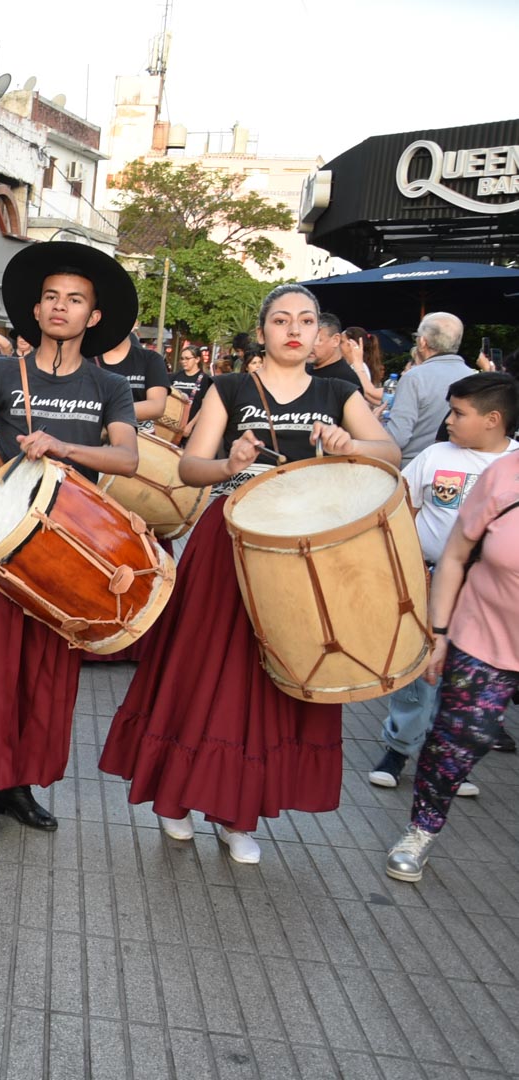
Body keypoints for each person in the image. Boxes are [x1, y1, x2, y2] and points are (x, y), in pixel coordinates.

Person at [100, 284, 399, 864]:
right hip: (230, 539)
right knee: (203, 667)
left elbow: (389, 453)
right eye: (282, 320)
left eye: (306, 320)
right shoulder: (229, 387)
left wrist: (352, 446)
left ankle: (238, 813)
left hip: (304, 546)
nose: (294, 329)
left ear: (319, 333)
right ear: (262, 332)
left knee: (278, 676)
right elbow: (190, 467)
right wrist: (229, 463)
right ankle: (176, 798)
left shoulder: (339, 392)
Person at [0, 245, 139, 848]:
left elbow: (127, 457)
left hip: (71, 550)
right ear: (36, 310)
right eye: (51, 297)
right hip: (2, 542)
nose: (61, 307)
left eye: (75, 299)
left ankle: (18, 784)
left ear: (93, 315)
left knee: (46, 675)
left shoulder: (109, 383)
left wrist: (65, 448)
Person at [368, 372, 518, 790]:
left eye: (458, 413)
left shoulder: (512, 466)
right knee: (420, 670)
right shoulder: (434, 456)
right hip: (429, 579)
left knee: (465, 679)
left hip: (487, 594)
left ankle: (449, 761)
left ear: (492, 419)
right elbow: (405, 511)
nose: (448, 420)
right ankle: (398, 748)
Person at [383, 434, 519, 881]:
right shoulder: (504, 475)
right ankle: (421, 830)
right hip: (484, 636)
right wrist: (439, 632)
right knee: (458, 740)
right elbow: (456, 556)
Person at [388, 313, 478, 465]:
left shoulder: (414, 378)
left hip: (414, 466)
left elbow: (397, 437)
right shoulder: (473, 377)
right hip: (458, 465)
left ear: (422, 342)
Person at [94, 329, 172, 427]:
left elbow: (156, 407)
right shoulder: (87, 361)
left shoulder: (151, 359)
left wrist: (105, 412)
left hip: (138, 433)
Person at [307, 312, 362, 390]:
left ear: (335, 340)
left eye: (315, 339)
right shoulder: (302, 371)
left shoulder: (346, 381)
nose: (308, 345)